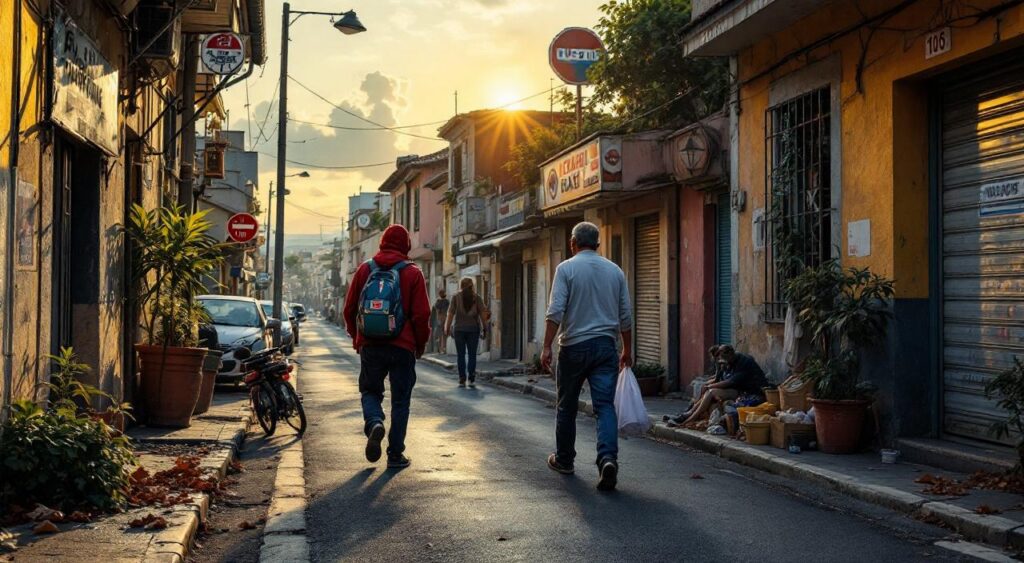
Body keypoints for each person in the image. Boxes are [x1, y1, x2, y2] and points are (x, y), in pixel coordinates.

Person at [541, 222, 632, 492]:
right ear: (598, 244)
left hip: (573, 347)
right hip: (606, 347)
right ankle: (607, 459)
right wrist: (628, 349)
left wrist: (546, 346)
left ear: (573, 243)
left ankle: (565, 460)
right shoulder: (615, 271)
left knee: (567, 405)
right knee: (605, 406)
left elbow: (555, 310)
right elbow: (625, 315)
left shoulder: (566, 269)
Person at [343, 224, 430, 469]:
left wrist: (356, 337)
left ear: (382, 242)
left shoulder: (364, 269)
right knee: (401, 401)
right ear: (406, 245)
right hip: (402, 347)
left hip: (371, 344)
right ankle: (395, 454)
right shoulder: (413, 272)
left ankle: (374, 423)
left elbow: (349, 309)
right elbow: (422, 315)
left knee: (370, 391)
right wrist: (420, 344)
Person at [682, 345, 768, 426]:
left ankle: (693, 416)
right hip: (736, 389)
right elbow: (720, 377)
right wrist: (708, 384)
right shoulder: (729, 362)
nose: (722, 361)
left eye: (724, 359)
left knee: (711, 391)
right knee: (707, 392)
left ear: (730, 355)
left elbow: (730, 382)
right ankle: (690, 412)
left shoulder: (744, 362)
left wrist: (710, 386)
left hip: (748, 392)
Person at [444, 278, 487, 387]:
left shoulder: (455, 297)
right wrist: (485, 328)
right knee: (472, 355)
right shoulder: (477, 298)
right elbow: (483, 315)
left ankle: (462, 378)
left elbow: (450, 314)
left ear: (461, 285)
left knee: (461, 355)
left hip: (459, 330)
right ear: (472, 286)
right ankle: (471, 378)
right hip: (473, 330)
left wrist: (447, 327)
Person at [665, 345, 723, 425]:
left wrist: (707, 383)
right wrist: (708, 379)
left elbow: (717, 378)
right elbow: (716, 375)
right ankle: (686, 412)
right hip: (718, 383)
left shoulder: (722, 362)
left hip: (720, 385)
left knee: (703, 389)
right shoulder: (718, 362)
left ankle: (688, 414)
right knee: (699, 390)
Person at [430, 289, 450, 354]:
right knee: (444, 334)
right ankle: (444, 348)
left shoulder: (438, 301)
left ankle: (440, 348)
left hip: (440, 318)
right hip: (445, 318)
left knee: (439, 334)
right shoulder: (447, 301)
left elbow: (436, 309)